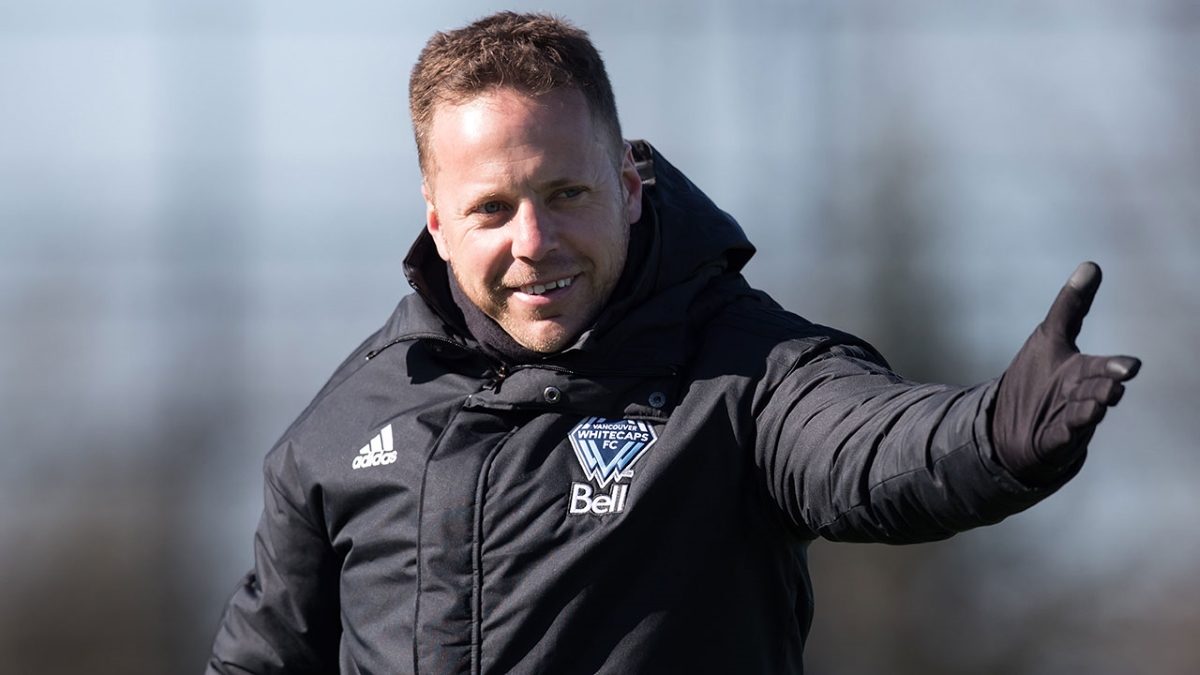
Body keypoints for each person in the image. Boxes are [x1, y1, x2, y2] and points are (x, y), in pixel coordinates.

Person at [206, 11, 1140, 674]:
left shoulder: (742, 368)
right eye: (492, 208)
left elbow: (864, 446)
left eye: (565, 194)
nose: (533, 241)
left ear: (628, 183)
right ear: (438, 222)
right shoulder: (340, 429)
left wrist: (992, 435)